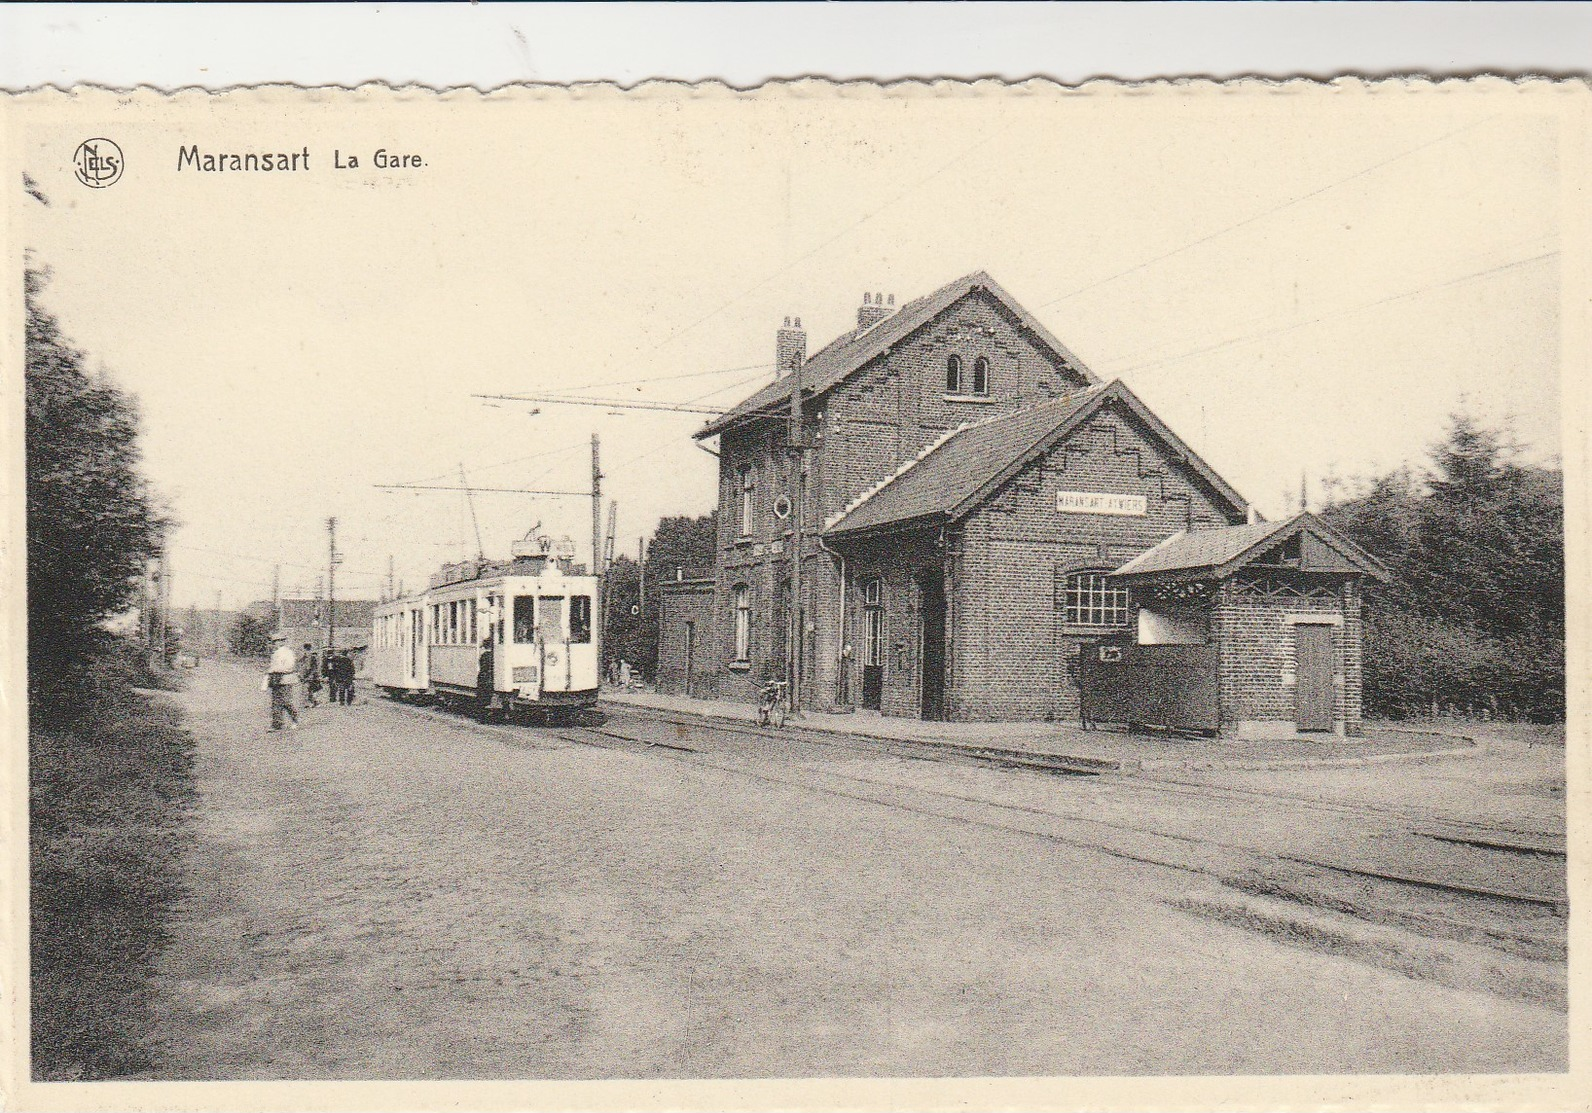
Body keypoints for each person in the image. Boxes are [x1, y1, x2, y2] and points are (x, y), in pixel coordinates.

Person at [265, 632, 299, 731]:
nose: (274, 644)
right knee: (275, 702)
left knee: (286, 701)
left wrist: (275, 670)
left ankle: (294, 719)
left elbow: (290, 666)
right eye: (274, 642)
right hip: (276, 679)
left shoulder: (288, 653)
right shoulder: (275, 653)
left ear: (282, 642)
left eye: (276, 641)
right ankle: (277, 724)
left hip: (285, 679)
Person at [476, 635, 495, 722]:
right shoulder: (493, 656)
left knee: (481, 698)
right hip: (490, 678)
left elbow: (482, 667)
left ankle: (481, 717)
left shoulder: (484, 655)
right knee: (487, 698)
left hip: (484, 678)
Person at [301, 643, 322, 707]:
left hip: (312, 676)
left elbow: (314, 667)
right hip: (307, 675)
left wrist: (310, 675)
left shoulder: (312, 657)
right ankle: (310, 702)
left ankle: (313, 702)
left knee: (312, 689)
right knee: (308, 689)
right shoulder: (305, 657)